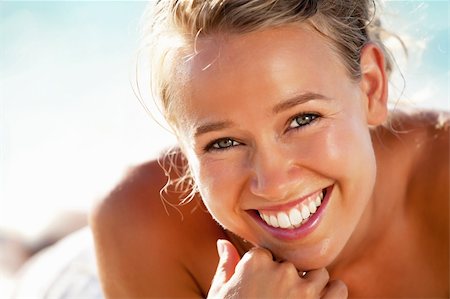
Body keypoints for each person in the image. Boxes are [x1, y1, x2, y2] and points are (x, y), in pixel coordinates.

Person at [90, 0, 449, 298]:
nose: (273, 183)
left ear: (371, 87)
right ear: (182, 144)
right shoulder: (138, 224)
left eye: (303, 119)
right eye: (224, 142)